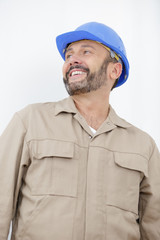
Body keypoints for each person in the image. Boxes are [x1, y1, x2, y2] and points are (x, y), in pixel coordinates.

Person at [0, 22, 160, 240]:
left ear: (115, 69)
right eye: (68, 55)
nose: (72, 60)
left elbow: (154, 226)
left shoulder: (143, 146)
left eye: (86, 51)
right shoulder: (29, 122)